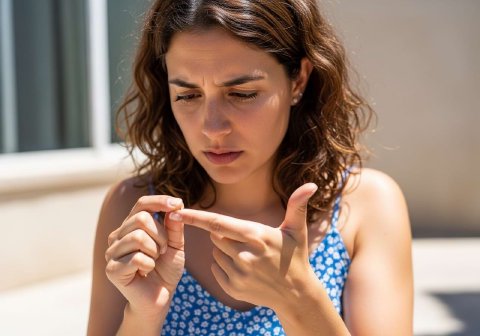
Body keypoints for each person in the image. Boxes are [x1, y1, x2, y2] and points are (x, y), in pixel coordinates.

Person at [87, 0, 413, 335]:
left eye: (241, 93)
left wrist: (297, 295)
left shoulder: (366, 205)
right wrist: (142, 315)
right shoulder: (135, 209)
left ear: (298, 80)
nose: (212, 127)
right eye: (187, 96)